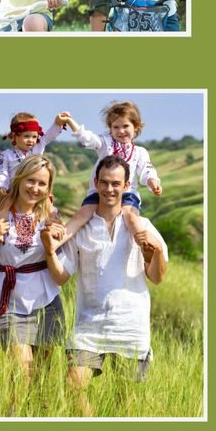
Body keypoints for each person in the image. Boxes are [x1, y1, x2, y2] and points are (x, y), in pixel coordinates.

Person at [45, 156, 169, 416]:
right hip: (89, 326)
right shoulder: (83, 227)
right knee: (73, 386)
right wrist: (49, 252)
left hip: (131, 328)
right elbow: (60, 277)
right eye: (104, 182)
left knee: (126, 404)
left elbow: (157, 277)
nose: (109, 189)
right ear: (95, 183)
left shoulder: (143, 226)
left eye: (116, 183)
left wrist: (155, 252)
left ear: (126, 186)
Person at [0, 154, 67, 411]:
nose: (35, 188)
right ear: (20, 178)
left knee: (42, 378)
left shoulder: (51, 215)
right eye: (30, 181)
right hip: (9, 301)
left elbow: (63, 260)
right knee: (22, 373)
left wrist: (57, 241)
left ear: (49, 188)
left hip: (47, 301)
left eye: (42, 184)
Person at [54, 105, 162, 218]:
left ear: (135, 126)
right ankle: (64, 235)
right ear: (110, 129)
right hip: (99, 192)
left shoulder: (140, 152)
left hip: (127, 195)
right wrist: (69, 121)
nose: (121, 131)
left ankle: (141, 235)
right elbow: (87, 138)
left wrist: (152, 182)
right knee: (82, 215)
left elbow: (147, 169)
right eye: (116, 127)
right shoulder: (105, 143)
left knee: (131, 218)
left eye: (125, 126)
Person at [0, 112, 52, 223]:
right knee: (5, 206)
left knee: (48, 206)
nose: (31, 140)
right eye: (26, 136)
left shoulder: (36, 151)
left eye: (34, 136)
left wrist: (58, 124)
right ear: (15, 136)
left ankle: (51, 226)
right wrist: (1, 186)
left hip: (31, 190)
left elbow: (47, 137)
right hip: (12, 191)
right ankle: (1, 230)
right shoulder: (7, 155)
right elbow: (1, 171)